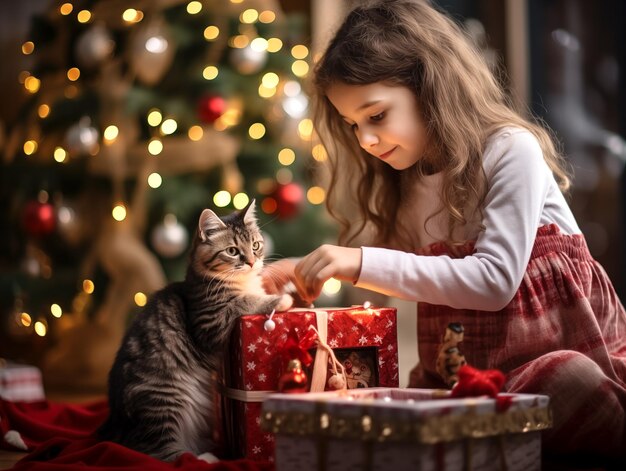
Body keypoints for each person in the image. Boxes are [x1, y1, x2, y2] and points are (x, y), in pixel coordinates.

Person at [262, 0, 626, 462]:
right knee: (401, 421)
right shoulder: (408, 184)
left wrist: (354, 261)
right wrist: (301, 270)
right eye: (353, 125)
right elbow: (400, 271)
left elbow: (494, 282)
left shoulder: (511, 151)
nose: (366, 140)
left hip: (552, 367)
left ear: (428, 86)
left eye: (376, 116)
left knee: (568, 377)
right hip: (464, 380)